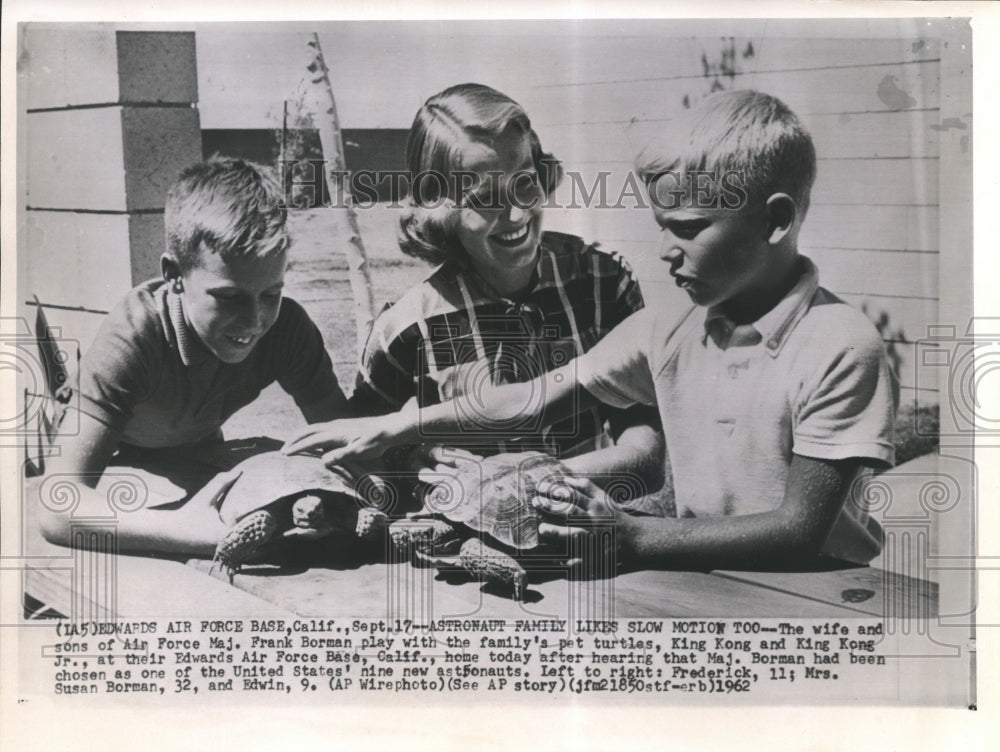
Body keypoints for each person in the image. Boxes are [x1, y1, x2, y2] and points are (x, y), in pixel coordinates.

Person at [286, 90, 898, 569]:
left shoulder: (840, 344)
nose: (664, 251)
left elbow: (798, 532)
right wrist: (398, 424)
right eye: (660, 226)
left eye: (685, 228)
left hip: (825, 594)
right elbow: (531, 399)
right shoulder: (668, 329)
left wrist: (630, 536)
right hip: (702, 576)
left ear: (776, 222)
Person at [351, 83, 663, 489]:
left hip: (589, 534)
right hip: (465, 546)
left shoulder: (602, 283)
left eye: (525, 182)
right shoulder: (408, 328)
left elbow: (647, 460)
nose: (516, 213)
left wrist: (521, 482)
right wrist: (410, 454)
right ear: (438, 208)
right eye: (484, 198)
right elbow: (359, 450)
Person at [39, 157, 349, 556]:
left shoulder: (287, 328)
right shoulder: (134, 335)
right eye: (228, 297)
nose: (254, 321)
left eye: (271, 293)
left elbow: (346, 437)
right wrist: (184, 528)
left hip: (190, 447)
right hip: (109, 453)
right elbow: (56, 507)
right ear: (174, 274)